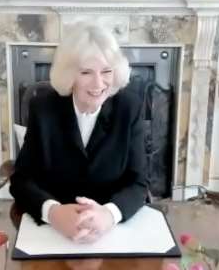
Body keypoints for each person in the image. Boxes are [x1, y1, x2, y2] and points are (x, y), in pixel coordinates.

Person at [9, 24, 147, 243]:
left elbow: (138, 183)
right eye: (86, 72)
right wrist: (53, 212)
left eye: (107, 71)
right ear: (69, 73)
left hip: (111, 234)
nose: (98, 84)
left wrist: (109, 214)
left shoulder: (129, 108)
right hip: (52, 233)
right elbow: (21, 179)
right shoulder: (43, 108)